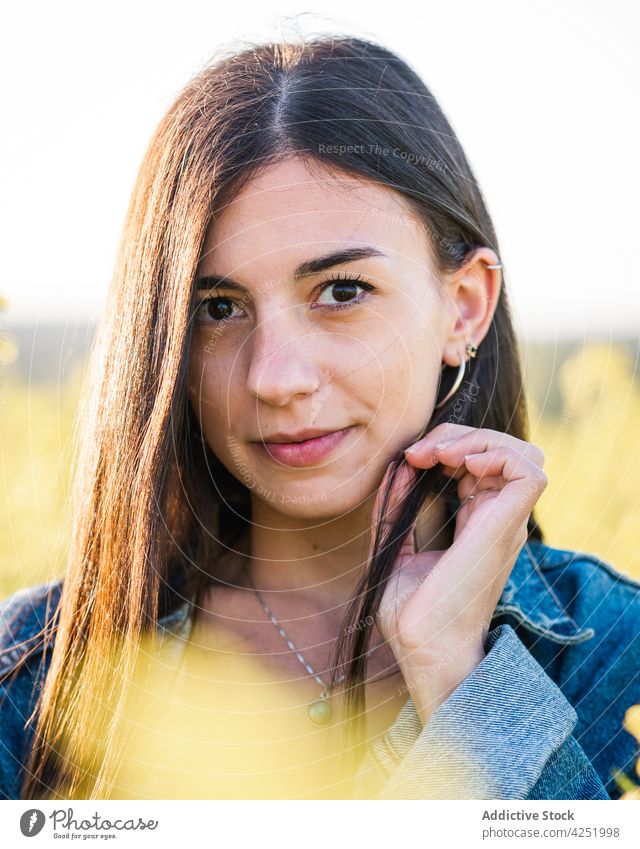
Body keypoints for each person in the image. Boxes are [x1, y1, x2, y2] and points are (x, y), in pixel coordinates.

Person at [1, 34, 639, 801]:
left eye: (341, 291)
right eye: (218, 308)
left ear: (463, 306)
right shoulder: (30, 680)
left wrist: (458, 679)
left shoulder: (618, 654)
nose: (276, 378)